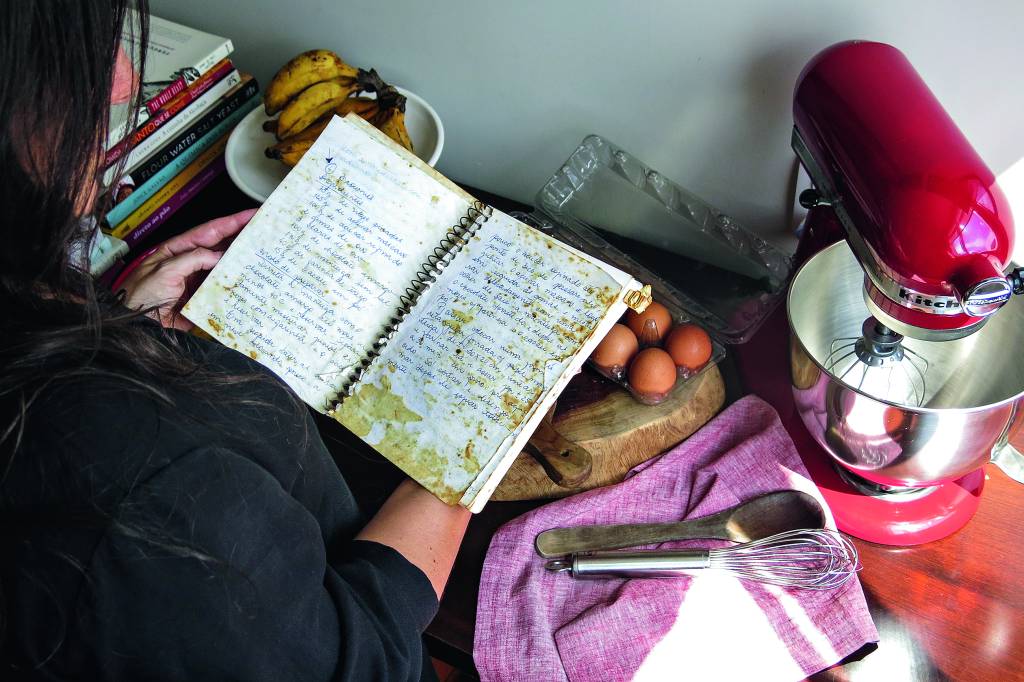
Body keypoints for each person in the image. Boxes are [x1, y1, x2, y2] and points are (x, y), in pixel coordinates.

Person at [0, 2, 470, 679]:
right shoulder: (136, 486)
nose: (124, 80)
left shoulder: (41, 315)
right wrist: (465, 452)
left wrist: (123, 326)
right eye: (74, 51)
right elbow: (365, 658)